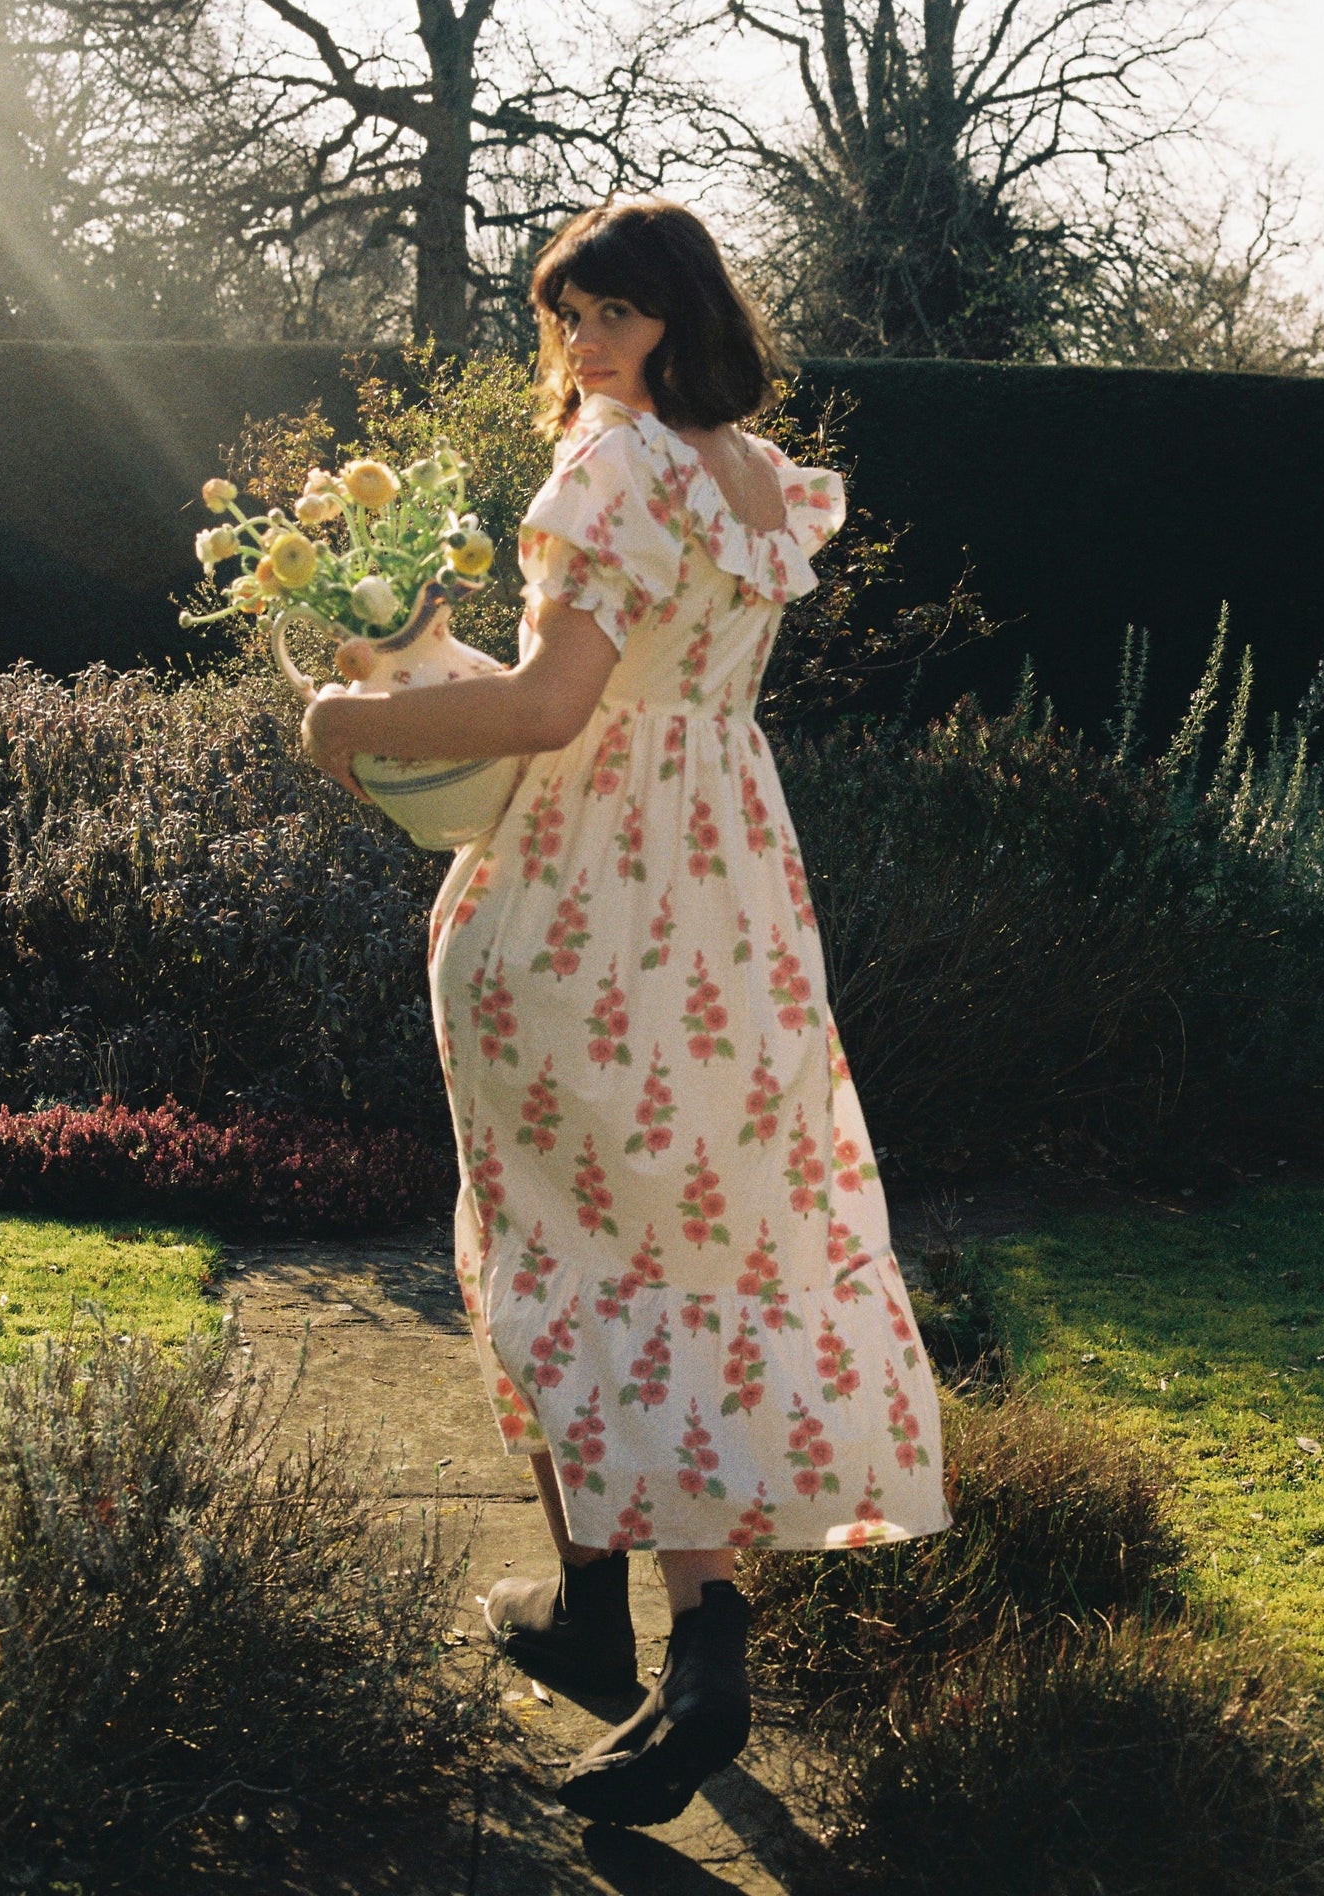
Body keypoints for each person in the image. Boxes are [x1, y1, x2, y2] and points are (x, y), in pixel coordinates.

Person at [302, 199, 950, 1825]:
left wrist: (349, 721)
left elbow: (549, 708)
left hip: (587, 896)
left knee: (563, 1244)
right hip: (731, 894)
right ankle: (608, 1617)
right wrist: (422, 652)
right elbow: (646, 684)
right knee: (695, 1239)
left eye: (610, 316)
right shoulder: (752, 477)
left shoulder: (613, 468)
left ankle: (689, 1649)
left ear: (673, 318)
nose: (581, 347)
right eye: (566, 316)